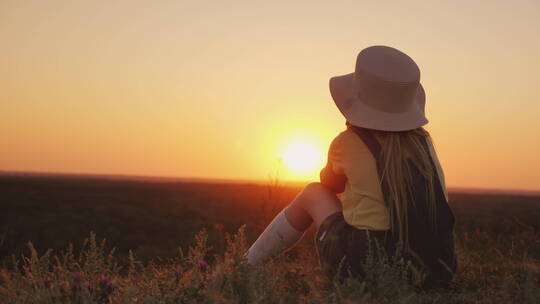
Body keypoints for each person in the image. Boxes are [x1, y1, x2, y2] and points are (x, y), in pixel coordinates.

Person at [244, 45, 457, 289]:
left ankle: (246, 265)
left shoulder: (347, 142)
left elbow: (330, 185)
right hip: (436, 266)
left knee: (313, 192)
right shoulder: (424, 144)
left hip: (364, 265)